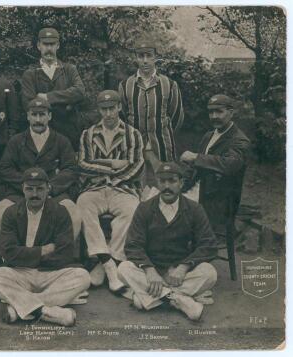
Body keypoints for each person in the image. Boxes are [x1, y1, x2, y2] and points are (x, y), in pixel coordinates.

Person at [0, 168, 90, 326]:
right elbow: (8, 252)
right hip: (21, 273)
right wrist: (43, 250)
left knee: (83, 277)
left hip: (51, 273)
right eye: (30, 189)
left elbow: (65, 253)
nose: (35, 194)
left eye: (40, 189)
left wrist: (26, 255)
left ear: (48, 189)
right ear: (23, 190)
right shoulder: (11, 213)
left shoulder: (60, 212)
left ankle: (19, 307)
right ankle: (47, 312)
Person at [118, 162, 218, 321]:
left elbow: (208, 244)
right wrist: (150, 270)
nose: (167, 186)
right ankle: (179, 300)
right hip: (152, 273)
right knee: (123, 268)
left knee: (210, 272)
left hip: (179, 274)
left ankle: (148, 298)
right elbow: (133, 245)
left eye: (172, 181)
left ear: (181, 183)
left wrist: (183, 267)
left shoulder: (194, 209)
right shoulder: (144, 208)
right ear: (157, 183)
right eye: (162, 181)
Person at [76, 90, 144, 295]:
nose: (108, 114)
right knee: (82, 204)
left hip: (123, 188)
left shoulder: (133, 134)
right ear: (99, 110)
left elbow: (136, 166)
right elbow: (81, 165)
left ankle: (107, 262)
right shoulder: (88, 134)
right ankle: (109, 264)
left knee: (133, 209)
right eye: (104, 109)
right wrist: (111, 166)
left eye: (112, 108)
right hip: (94, 188)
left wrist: (106, 172)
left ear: (119, 108)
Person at [0, 97, 81, 243]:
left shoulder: (61, 140)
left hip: (53, 193)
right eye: (34, 114)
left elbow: (70, 169)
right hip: (20, 193)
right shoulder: (17, 141)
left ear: (49, 116)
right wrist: (28, 186)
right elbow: (4, 168)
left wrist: (49, 188)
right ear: (28, 116)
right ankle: (10, 257)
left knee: (75, 213)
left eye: (42, 114)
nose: (38, 119)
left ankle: (60, 256)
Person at [180, 94, 250, 239]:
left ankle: (185, 254)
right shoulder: (209, 135)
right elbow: (193, 168)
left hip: (217, 202)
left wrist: (196, 157)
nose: (214, 116)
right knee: (154, 205)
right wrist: (181, 184)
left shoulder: (239, 140)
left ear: (231, 112)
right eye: (211, 112)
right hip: (197, 191)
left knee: (168, 215)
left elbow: (231, 164)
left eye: (219, 111)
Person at [118, 39, 184, 191]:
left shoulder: (170, 84)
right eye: (141, 56)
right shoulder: (125, 85)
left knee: (164, 188)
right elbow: (122, 116)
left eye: (149, 56)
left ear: (155, 57)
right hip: (133, 147)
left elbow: (177, 116)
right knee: (136, 189)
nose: (145, 60)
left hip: (162, 146)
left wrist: (161, 132)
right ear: (136, 58)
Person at [21, 27, 86, 150]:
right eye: (45, 44)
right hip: (42, 133)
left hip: (69, 133)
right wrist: (66, 103)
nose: (49, 48)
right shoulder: (30, 74)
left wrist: (47, 97)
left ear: (58, 45)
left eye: (52, 44)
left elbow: (79, 92)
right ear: (39, 46)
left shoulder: (68, 69)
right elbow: (29, 105)